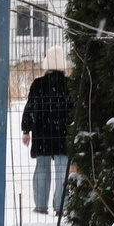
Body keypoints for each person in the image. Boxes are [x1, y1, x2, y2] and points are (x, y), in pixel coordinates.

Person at [21, 67, 71, 216]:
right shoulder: (69, 84)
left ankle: (41, 206)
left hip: (42, 132)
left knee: (42, 168)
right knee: (63, 170)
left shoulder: (38, 84)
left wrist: (26, 130)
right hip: (64, 133)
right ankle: (61, 206)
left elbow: (31, 107)